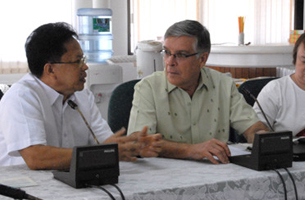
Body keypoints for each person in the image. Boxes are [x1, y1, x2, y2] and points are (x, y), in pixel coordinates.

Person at [0, 22, 162, 169]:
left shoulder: (82, 95)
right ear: (50, 69)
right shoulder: (22, 97)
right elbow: (36, 157)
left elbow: (104, 143)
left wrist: (131, 144)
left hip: (69, 181)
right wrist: (103, 154)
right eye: (76, 61)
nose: (84, 67)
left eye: (83, 59)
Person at [127, 20, 269, 164]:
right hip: (165, 175)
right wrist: (191, 150)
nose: (170, 61)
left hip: (216, 172)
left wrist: (261, 136)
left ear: (202, 59)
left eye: (181, 55)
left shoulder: (223, 84)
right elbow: (139, 142)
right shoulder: (148, 87)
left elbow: (252, 126)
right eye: (167, 53)